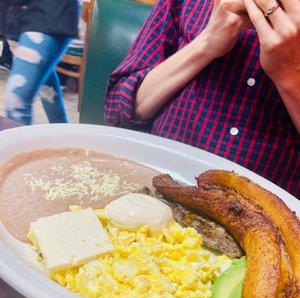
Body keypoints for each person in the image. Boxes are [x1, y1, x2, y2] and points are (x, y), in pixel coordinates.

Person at [105, 0, 300, 198]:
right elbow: (116, 111)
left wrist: (289, 74)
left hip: (270, 214)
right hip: (153, 191)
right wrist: (205, 43)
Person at [1, 0, 80, 125]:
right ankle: (63, 137)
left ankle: (19, 144)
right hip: (14, 13)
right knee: (47, 88)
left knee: (16, 99)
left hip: (48, 10)